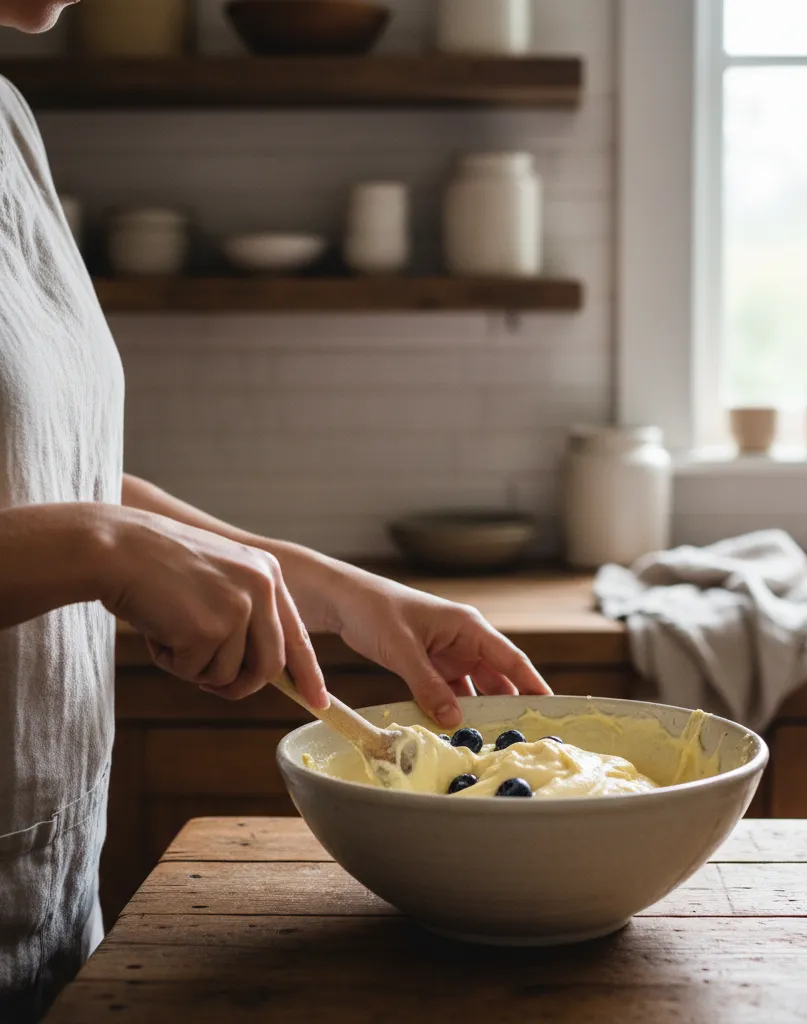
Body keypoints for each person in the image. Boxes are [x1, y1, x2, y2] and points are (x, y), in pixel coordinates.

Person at [0, 2, 551, 1018]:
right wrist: (99, 545)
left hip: (43, 894)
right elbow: (78, 524)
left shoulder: (9, 121)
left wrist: (334, 590)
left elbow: (43, 472)